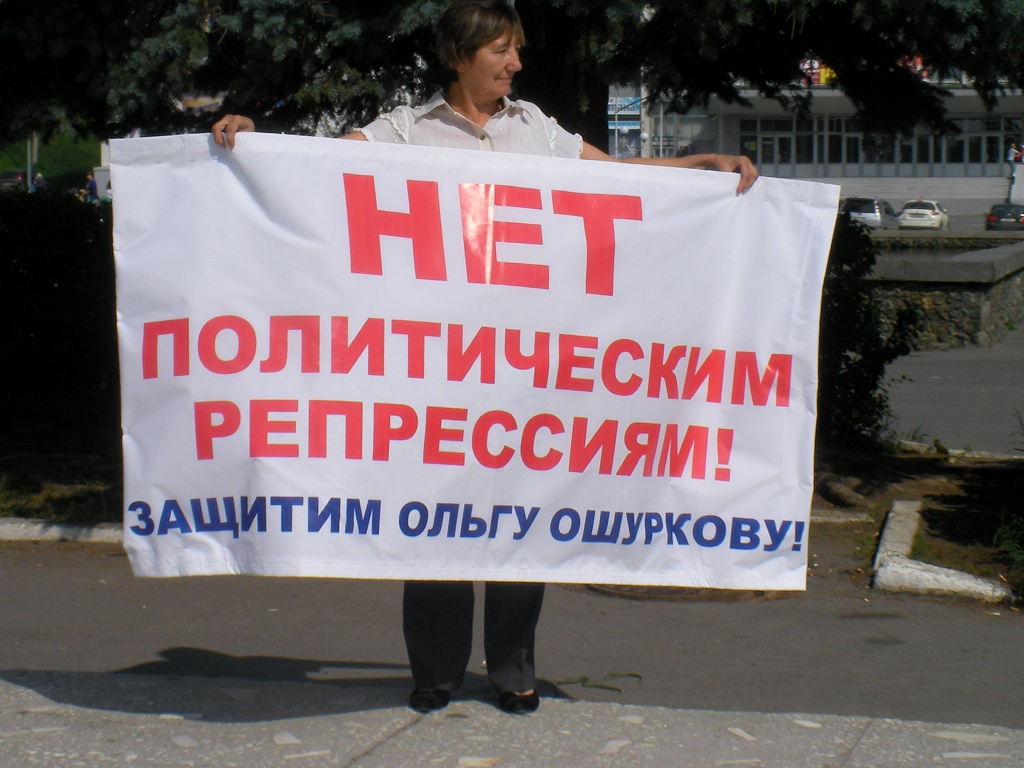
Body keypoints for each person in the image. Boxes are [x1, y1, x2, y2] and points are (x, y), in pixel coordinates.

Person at [213, 0, 758, 716]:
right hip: (438, 373)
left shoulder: (536, 130)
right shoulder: (405, 131)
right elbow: (315, 169)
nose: (516, 64)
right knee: (431, 517)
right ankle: (435, 671)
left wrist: (703, 167)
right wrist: (253, 142)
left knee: (520, 516)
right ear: (460, 55)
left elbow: (625, 177)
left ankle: (512, 668)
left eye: (516, 50)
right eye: (501, 50)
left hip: (523, 372)